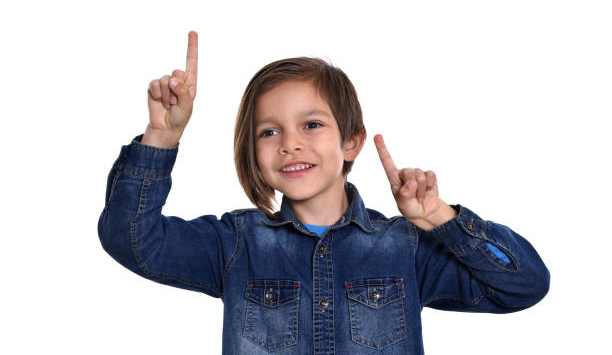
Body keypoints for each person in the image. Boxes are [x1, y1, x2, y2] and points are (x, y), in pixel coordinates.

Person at [98, 30, 550, 354]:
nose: (291, 143)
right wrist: (161, 137)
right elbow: (131, 240)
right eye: (269, 132)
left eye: (311, 125)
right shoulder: (236, 243)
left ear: (350, 140)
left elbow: (524, 286)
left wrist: (441, 220)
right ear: (252, 151)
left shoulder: (405, 248)